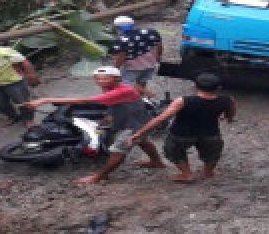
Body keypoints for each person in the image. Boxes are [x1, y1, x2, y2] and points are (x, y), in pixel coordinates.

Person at [23, 66, 166, 186]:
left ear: (117, 79)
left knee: (118, 151)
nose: (100, 81)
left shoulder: (123, 90)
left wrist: (45, 100)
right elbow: (116, 102)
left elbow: (85, 100)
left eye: (105, 78)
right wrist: (109, 117)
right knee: (144, 142)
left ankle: (99, 176)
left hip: (133, 126)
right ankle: (156, 162)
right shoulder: (114, 88)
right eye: (97, 78)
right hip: (138, 121)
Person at [132, 72, 235, 183]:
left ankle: (186, 174)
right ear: (218, 88)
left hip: (181, 134)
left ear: (195, 86)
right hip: (210, 133)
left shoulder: (183, 101)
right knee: (212, 153)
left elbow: (161, 118)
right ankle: (208, 172)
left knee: (173, 151)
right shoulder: (227, 100)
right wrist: (228, 119)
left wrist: (140, 133)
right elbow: (230, 114)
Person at [111, 16, 162, 97]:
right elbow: (159, 45)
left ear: (118, 28)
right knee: (142, 82)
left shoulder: (121, 39)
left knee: (127, 83)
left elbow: (121, 55)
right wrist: (158, 57)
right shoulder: (152, 32)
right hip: (150, 63)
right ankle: (140, 100)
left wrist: (115, 68)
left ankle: (146, 95)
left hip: (132, 67)